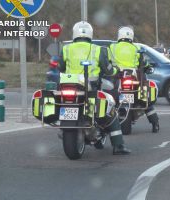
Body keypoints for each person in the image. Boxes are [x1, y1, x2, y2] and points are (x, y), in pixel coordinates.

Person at [58, 21, 131, 155]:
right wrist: (116, 72)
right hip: (90, 89)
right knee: (111, 113)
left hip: (68, 86)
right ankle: (118, 146)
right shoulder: (98, 49)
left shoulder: (66, 48)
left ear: (75, 33)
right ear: (90, 34)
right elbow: (108, 70)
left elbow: (60, 67)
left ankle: (65, 128)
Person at [110, 26, 159, 133]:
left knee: (111, 98)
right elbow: (144, 63)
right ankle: (155, 123)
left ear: (119, 36)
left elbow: (108, 62)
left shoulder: (112, 47)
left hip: (118, 77)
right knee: (145, 100)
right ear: (131, 36)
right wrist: (148, 67)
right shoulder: (136, 48)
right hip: (134, 77)